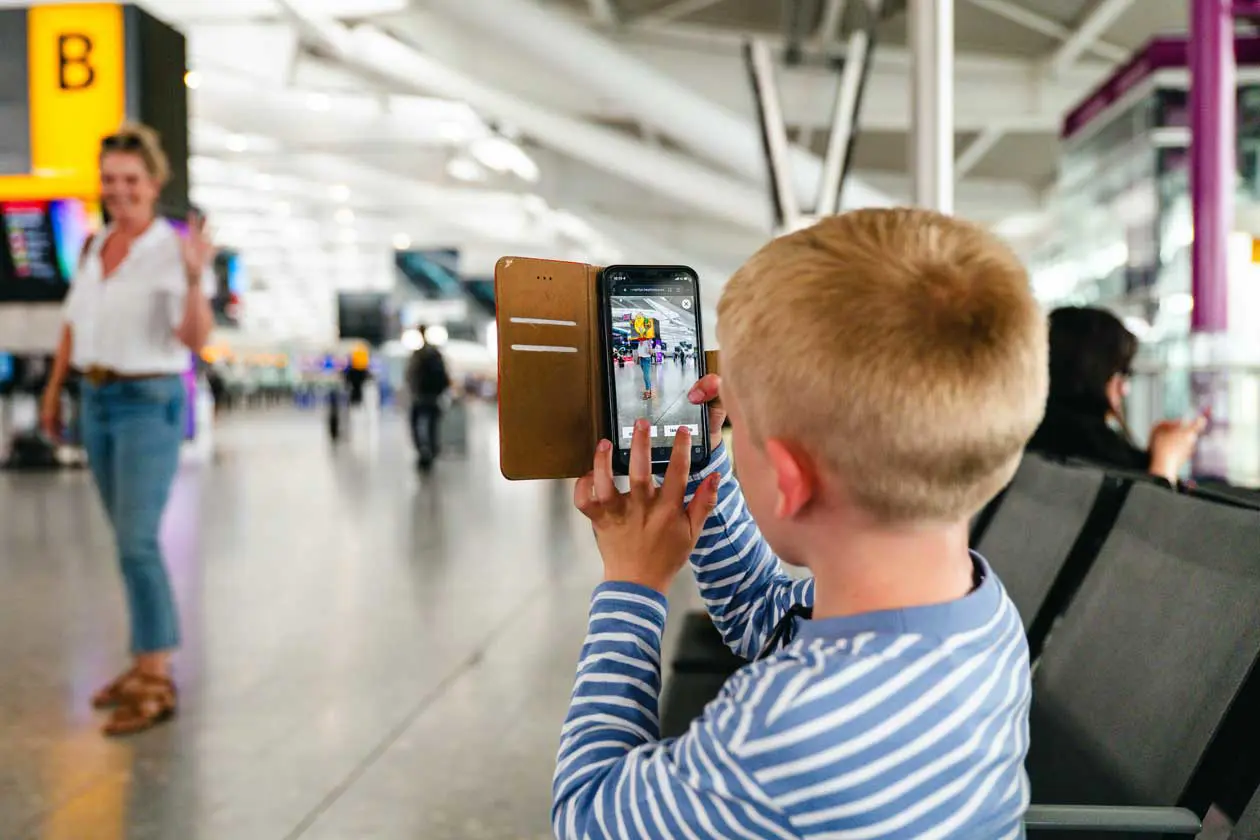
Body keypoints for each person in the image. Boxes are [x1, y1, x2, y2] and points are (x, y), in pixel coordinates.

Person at [554, 209, 1048, 838]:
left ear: (789, 478)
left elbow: (586, 816)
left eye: (737, 431)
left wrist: (633, 585)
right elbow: (763, 613)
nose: (727, 432)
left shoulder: (782, 731)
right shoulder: (979, 612)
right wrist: (706, 475)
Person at [39, 123, 214, 736]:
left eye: (131, 180)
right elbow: (72, 323)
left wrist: (195, 278)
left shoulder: (174, 249)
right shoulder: (95, 246)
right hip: (96, 398)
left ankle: (158, 674)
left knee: (139, 541)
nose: (119, 190)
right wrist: (56, 388)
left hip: (148, 401)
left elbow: (195, 340)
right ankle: (142, 661)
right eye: (109, 180)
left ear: (154, 182)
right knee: (125, 541)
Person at [1027, 306, 1205, 484]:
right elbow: (1140, 509)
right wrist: (1166, 463)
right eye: (1122, 373)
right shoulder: (1090, 450)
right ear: (1092, 373)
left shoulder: (1028, 435)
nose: (1124, 389)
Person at [406, 326, 450, 471]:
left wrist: (413, 391)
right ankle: (432, 451)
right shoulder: (436, 354)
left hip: (420, 397)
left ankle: (424, 452)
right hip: (433, 397)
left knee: (417, 425)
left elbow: (410, 375)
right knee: (432, 426)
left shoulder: (418, 354)